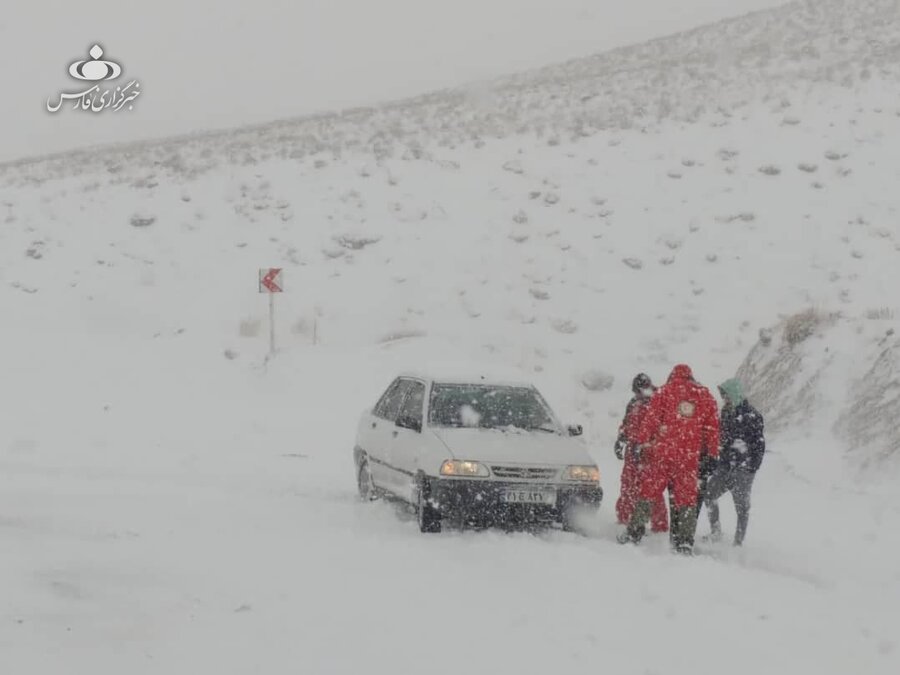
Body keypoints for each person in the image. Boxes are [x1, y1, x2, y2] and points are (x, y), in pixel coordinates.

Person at [617, 364, 719, 554]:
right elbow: (711, 429)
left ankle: (634, 533)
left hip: (662, 454)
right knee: (687, 500)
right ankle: (685, 541)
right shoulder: (705, 396)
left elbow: (651, 421)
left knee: (648, 494)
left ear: (673, 376)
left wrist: (640, 443)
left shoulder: (664, 392)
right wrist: (712, 454)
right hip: (688, 458)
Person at [703, 378, 765, 546]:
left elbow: (759, 445)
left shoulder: (752, 415)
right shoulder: (726, 413)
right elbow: (722, 439)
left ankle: (738, 542)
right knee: (709, 495)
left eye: (727, 396)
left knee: (742, 508)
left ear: (735, 394)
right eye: (724, 397)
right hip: (724, 467)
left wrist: (751, 467)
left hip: (743, 470)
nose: (725, 399)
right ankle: (716, 532)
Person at [613, 374, 668, 533]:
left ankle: (659, 525)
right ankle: (625, 518)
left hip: (649, 452)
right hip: (632, 450)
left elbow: (661, 430)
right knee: (628, 484)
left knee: (651, 489)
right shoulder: (634, 403)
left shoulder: (657, 403)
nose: (636, 394)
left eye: (638, 391)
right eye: (635, 392)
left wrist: (647, 445)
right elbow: (626, 423)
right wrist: (620, 439)